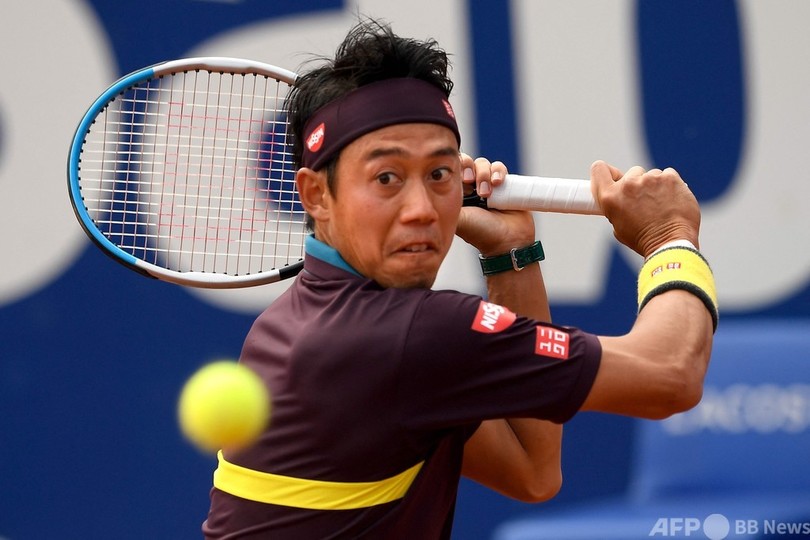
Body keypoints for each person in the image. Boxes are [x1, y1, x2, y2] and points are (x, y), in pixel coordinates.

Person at [203, 19, 717, 539]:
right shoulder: (410, 336)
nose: (422, 209)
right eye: (387, 178)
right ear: (316, 195)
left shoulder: (288, 324)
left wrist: (510, 253)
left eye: (439, 174)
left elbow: (532, 469)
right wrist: (669, 237)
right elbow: (670, 375)